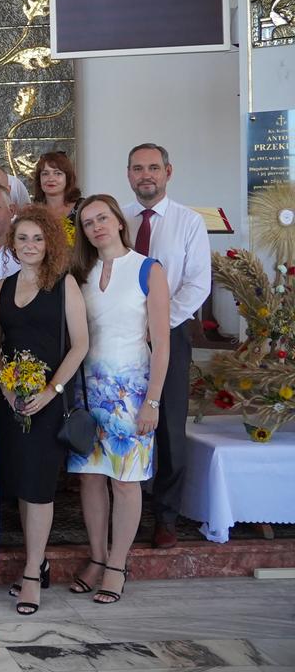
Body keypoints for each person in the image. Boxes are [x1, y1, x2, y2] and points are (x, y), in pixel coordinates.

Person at [68, 194, 169, 604]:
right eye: (88, 222)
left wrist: (153, 401)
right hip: (88, 389)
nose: (97, 227)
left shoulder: (148, 268)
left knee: (125, 480)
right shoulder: (80, 273)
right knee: (91, 478)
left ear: (119, 221)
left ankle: (117, 564)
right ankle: (97, 556)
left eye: (102, 218)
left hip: (133, 390)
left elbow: (162, 344)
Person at [0, 205, 88, 615]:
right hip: (11, 401)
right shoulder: (0, 288)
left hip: (48, 401)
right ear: (13, 244)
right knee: (22, 484)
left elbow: (80, 344)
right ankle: (39, 561)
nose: (30, 245)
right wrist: (7, 389)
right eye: (23, 238)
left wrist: (51, 390)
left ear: (50, 244)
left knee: (40, 486)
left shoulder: (65, 285)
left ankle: (31, 573)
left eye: (38, 238)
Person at [122, 143, 210, 550]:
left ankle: (166, 516)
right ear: (129, 174)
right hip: (121, 335)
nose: (146, 175)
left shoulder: (189, 222)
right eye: (138, 168)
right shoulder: (119, 219)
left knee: (169, 427)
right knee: (124, 418)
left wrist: (158, 324)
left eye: (153, 168)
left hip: (169, 334)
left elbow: (197, 284)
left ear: (168, 172)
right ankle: (126, 508)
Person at [32, 151, 83, 228]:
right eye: (45, 174)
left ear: (68, 178)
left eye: (58, 173)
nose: (51, 179)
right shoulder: (32, 213)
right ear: (39, 179)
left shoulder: (83, 208)